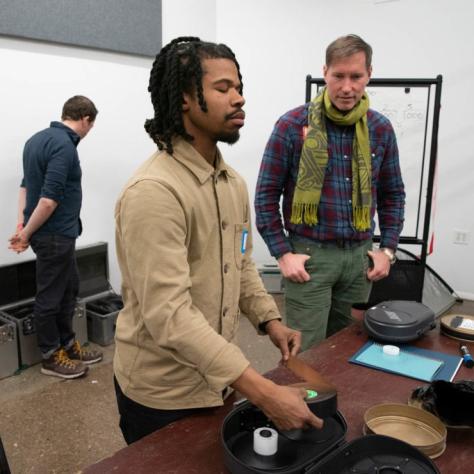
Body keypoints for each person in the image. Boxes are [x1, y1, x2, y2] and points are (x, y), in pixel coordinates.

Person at [113, 37, 323, 445]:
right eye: (223, 89)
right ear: (187, 99)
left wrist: (270, 320)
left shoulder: (232, 184)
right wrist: (262, 391)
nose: (239, 99)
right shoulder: (154, 192)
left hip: (219, 380)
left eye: (239, 88)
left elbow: (240, 264)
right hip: (163, 395)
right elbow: (169, 315)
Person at [255, 34, 405, 351]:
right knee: (303, 350)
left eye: (356, 76)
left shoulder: (380, 128)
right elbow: (266, 196)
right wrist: (282, 254)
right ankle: (302, 403)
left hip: (359, 259)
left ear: (369, 74)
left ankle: (334, 403)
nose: (347, 87)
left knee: (346, 347)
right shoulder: (292, 125)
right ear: (325, 72)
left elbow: (393, 194)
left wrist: (387, 250)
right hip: (310, 257)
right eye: (338, 76)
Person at [9, 95, 103, 379]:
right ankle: (51, 356)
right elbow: (49, 200)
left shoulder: (35, 140)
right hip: (54, 235)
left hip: (55, 234)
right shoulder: (64, 146)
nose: (89, 132)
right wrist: (25, 232)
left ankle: (68, 344)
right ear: (86, 119)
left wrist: (22, 225)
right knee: (50, 298)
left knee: (69, 289)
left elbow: (26, 186)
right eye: (91, 125)